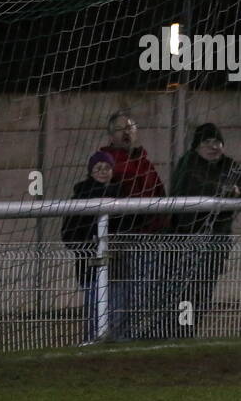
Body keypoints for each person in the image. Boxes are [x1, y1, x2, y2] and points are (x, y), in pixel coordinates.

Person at [170, 123, 241, 337]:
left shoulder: (229, 165)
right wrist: (223, 190)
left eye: (217, 142)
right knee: (184, 290)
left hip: (215, 242)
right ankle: (179, 331)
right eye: (207, 142)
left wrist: (239, 190)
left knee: (203, 290)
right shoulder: (188, 165)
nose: (213, 147)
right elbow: (193, 186)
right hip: (186, 241)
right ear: (197, 146)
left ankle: (188, 331)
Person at [102, 111, 169, 339]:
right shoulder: (106, 162)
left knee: (143, 294)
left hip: (147, 241)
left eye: (131, 127)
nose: (127, 132)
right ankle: (114, 337)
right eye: (121, 128)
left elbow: (160, 196)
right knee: (119, 295)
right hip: (119, 242)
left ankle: (134, 338)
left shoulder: (146, 164)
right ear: (111, 136)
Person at [60, 150, 122, 343]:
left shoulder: (122, 196)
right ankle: (93, 342)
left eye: (107, 167)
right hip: (89, 268)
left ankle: (114, 343)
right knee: (95, 310)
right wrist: (89, 247)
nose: (103, 171)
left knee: (118, 309)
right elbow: (68, 235)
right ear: (90, 171)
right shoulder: (79, 198)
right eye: (98, 168)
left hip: (118, 267)